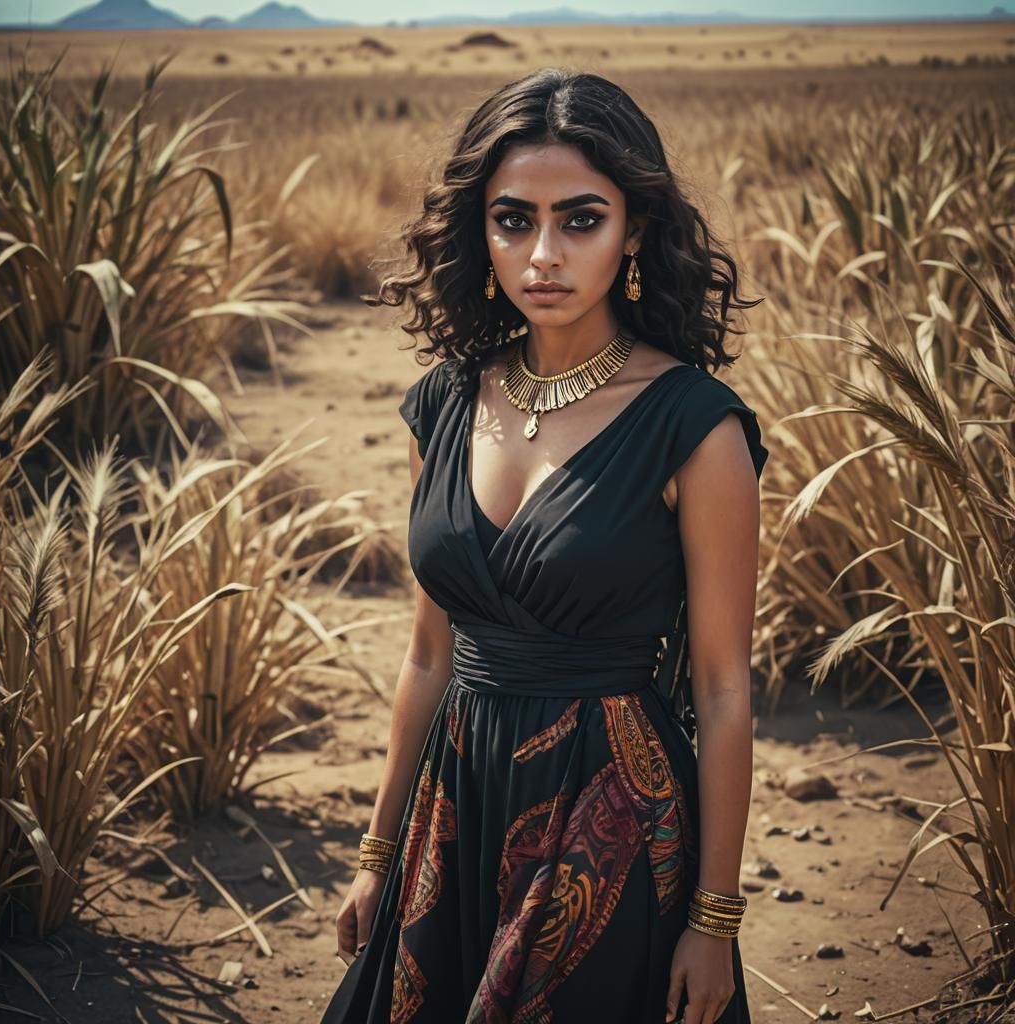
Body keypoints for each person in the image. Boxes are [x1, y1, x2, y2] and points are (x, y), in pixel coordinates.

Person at [321, 67, 768, 1024]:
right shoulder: (442, 402)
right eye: (514, 220)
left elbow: (726, 689)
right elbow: (428, 652)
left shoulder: (695, 426)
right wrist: (377, 853)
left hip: (611, 821)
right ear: (481, 232)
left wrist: (715, 919)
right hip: (457, 806)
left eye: (582, 219)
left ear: (634, 230)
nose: (543, 255)